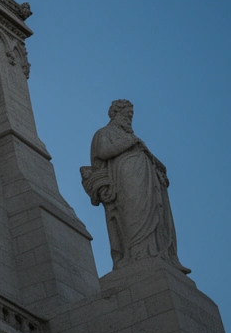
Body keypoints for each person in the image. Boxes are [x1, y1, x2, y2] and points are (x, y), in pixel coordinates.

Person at [81, 100, 189, 273]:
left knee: (154, 214)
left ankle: (160, 253)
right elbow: (103, 152)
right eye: (127, 115)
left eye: (131, 116)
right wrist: (131, 142)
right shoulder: (104, 132)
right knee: (135, 215)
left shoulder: (131, 138)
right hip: (125, 180)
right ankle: (137, 254)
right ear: (115, 114)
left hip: (145, 181)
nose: (129, 119)